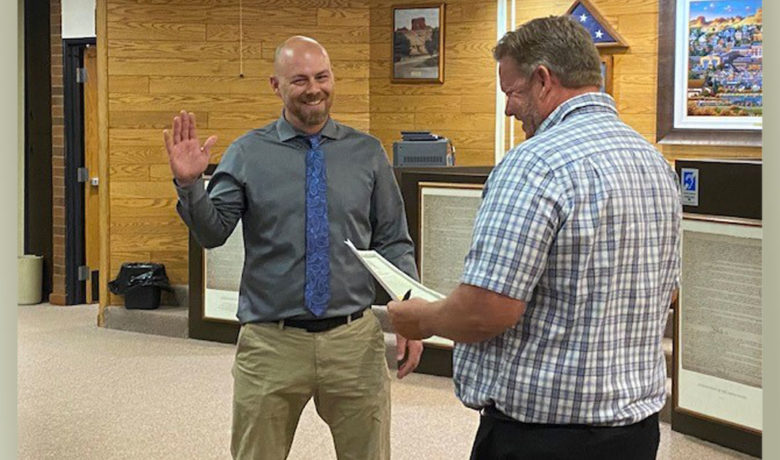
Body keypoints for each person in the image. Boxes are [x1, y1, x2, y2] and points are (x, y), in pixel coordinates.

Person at [388, 15, 681, 460]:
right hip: (635, 432)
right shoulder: (654, 162)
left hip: (544, 439)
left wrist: (421, 320)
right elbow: (670, 290)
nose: (508, 108)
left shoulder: (534, 164)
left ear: (543, 80)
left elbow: (487, 310)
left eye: (511, 91)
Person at [163, 35, 423, 460]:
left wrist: (410, 314)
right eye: (299, 79)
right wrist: (191, 186)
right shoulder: (247, 153)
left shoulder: (367, 153)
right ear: (276, 85)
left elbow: (394, 240)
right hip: (271, 343)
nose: (314, 88)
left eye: (322, 76)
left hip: (353, 341)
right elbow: (213, 234)